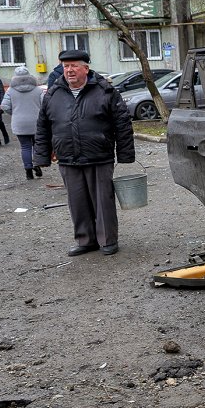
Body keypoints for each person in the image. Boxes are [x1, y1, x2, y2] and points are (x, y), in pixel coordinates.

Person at [33, 47, 135, 257]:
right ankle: (85, 239)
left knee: (102, 201)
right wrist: (42, 155)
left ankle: (107, 239)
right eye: (66, 66)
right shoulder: (54, 93)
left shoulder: (105, 90)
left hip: (99, 155)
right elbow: (43, 125)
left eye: (74, 66)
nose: (69, 70)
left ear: (85, 68)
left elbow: (122, 122)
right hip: (68, 157)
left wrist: (125, 154)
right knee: (77, 202)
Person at [0, 65, 44, 180]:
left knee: (25, 147)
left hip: (19, 123)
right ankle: (37, 165)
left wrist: (13, 113)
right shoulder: (38, 90)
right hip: (36, 122)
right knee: (36, 146)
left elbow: (4, 106)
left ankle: (28, 172)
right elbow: (45, 105)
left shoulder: (10, 90)